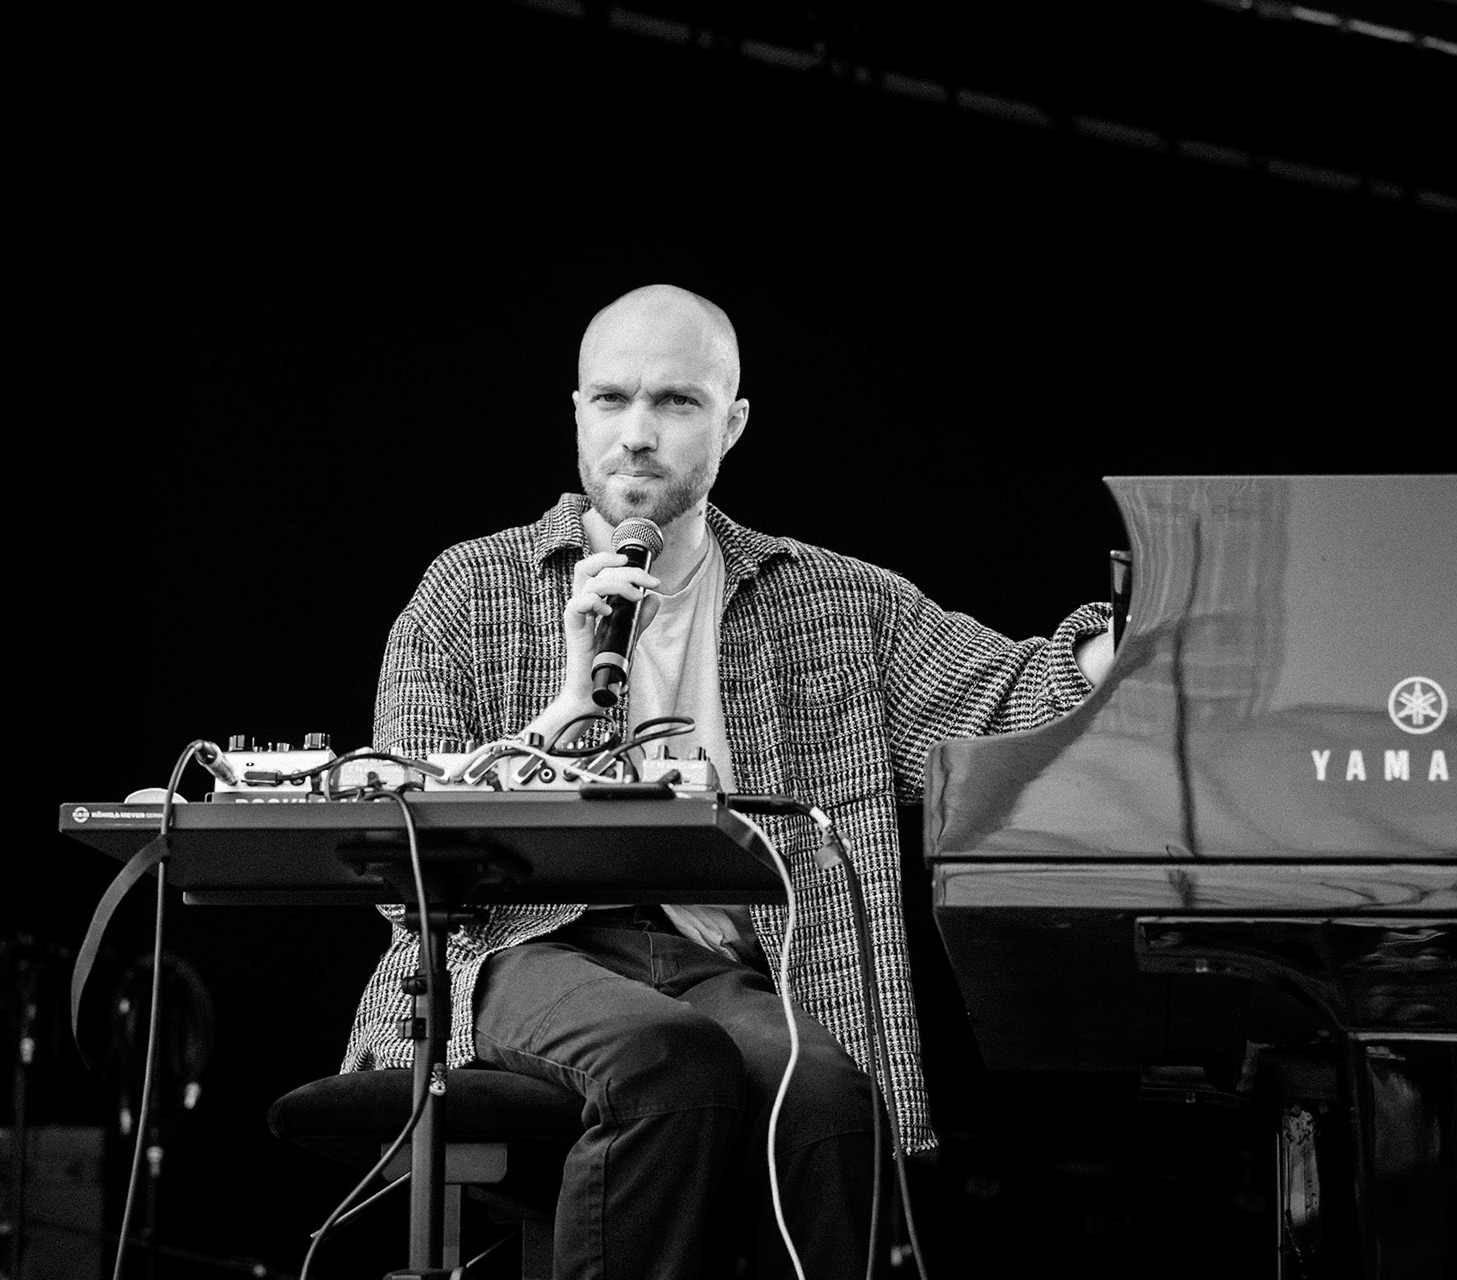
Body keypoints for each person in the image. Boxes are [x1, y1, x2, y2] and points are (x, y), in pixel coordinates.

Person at [340, 284, 1114, 1279]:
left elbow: (1013, 697)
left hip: (722, 959)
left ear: (733, 421)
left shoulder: (832, 602)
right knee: (668, 1062)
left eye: (675, 402)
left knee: (832, 1098)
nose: (637, 435)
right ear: (575, 410)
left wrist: (1139, 641)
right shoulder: (469, 588)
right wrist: (571, 698)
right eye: (612, 400)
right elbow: (405, 827)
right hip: (516, 943)